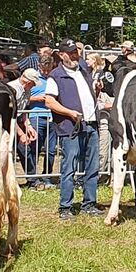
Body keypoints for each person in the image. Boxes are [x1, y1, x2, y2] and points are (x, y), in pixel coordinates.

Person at [45, 39, 100, 219]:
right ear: (61, 55)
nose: (75, 56)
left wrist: (97, 90)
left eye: (76, 52)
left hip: (91, 123)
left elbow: (90, 97)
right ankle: (65, 207)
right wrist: (69, 112)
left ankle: (89, 203)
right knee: (69, 167)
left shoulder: (84, 71)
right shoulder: (56, 76)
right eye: (71, 53)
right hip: (70, 127)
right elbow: (49, 101)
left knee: (93, 166)